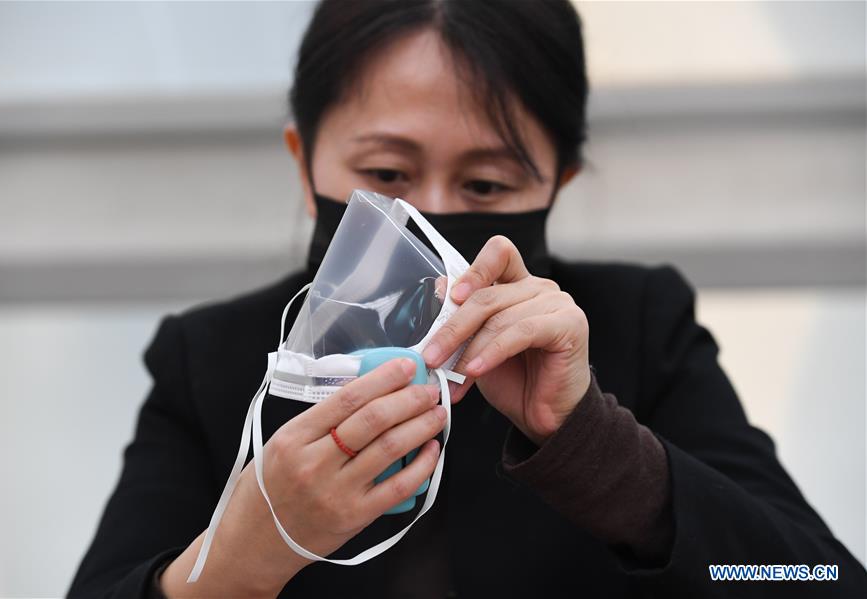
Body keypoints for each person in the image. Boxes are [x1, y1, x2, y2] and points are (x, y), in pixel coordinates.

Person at [68, 1, 867, 597]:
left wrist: (596, 444)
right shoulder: (212, 359)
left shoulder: (636, 327)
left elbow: (808, 576)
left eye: (485, 184)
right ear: (303, 161)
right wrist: (244, 555)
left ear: (557, 182)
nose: (428, 217)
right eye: (385, 175)